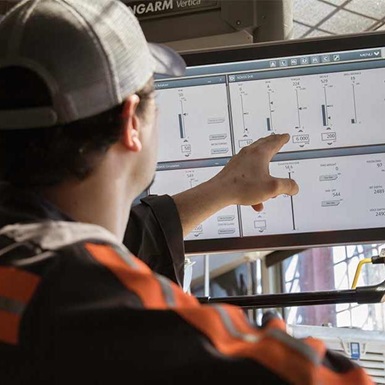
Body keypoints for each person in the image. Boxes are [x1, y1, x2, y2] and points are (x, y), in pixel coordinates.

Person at [0, 1, 374, 384]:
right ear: (131, 123)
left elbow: (123, 236)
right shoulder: (80, 294)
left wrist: (225, 189)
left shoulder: (24, 248)